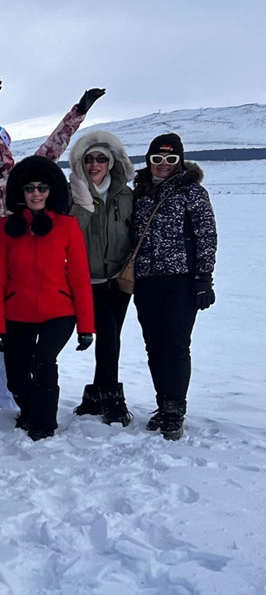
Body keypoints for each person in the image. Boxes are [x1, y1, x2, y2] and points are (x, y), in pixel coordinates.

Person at [0, 84, 105, 416]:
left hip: (21, 271)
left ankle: (10, 398)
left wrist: (78, 111)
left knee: (14, 341)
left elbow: (55, 144)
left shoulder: (21, 178)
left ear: (3, 149)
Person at [0, 156, 95, 441]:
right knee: (16, 377)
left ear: (51, 191)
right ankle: (29, 411)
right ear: (21, 192)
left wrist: (86, 327)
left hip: (58, 312)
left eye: (42, 188)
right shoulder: (5, 230)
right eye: (30, 188)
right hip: (17, 312)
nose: (36, 194)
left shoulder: (67, 226)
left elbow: (80, 279)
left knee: (44, 361)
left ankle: (44, 424)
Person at [132, 133, 216, 440]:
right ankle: (162, 403)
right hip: (146, 280)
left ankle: (174, 410)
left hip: (181, 280)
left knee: (176, 344)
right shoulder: (140, 192)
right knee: (154, 345)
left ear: (180, 161)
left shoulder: (192, 192)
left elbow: (207, 236)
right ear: (149, 161)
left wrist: (204, 278)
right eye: (157, 159)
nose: (163, 164)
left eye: (170, 159)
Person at [68, 132, 135, 426]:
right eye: (89, 159)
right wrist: (83, 204)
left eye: (101, 159)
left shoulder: (126, 195)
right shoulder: (72, 194)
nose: (95, 165)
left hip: (119, 279)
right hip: (87, 280)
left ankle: (95, 395)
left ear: (111, 162)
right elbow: (68, 234)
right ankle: (111, 398)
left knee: (111, 337)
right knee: (107, 333)